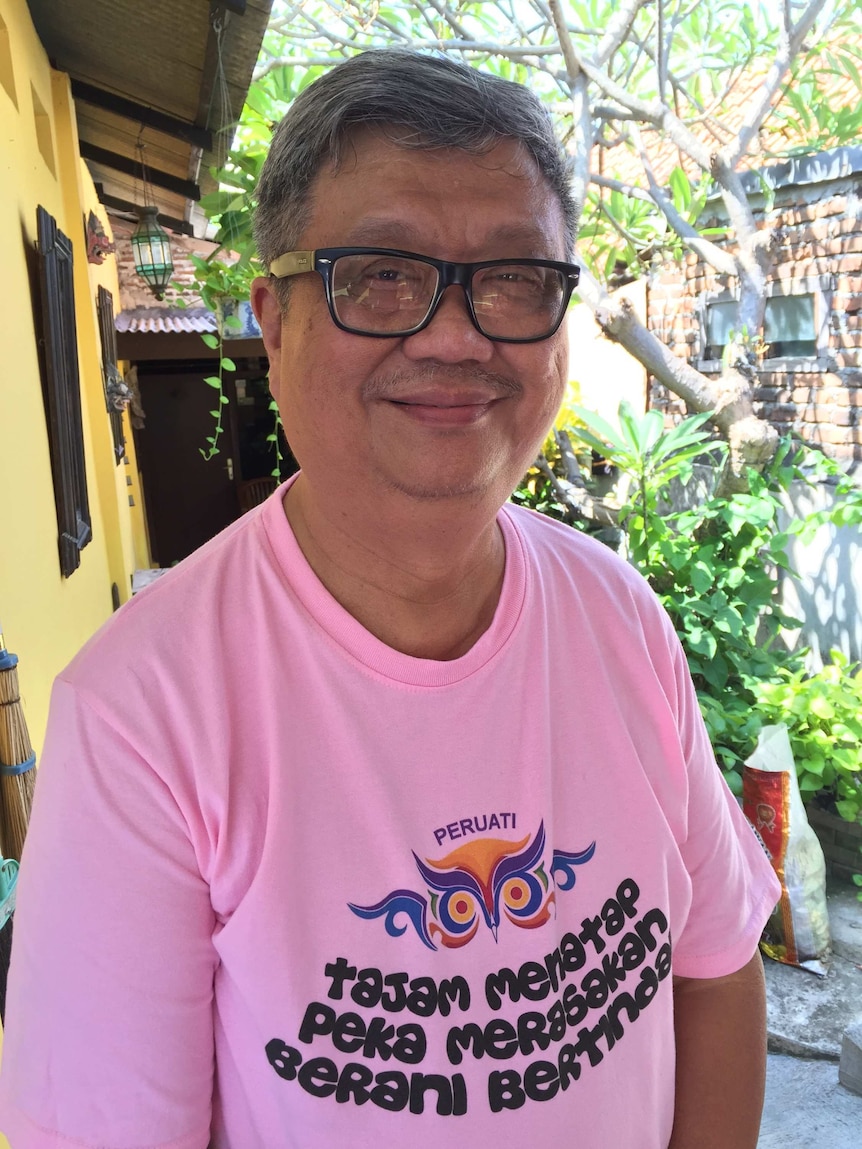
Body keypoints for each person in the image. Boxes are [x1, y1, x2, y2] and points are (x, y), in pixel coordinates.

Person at [0, 49, 779, 1149]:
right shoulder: (144, 716)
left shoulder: (619, 617)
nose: (457, 335)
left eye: (514, 277)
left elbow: (712, 967)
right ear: (273, 323)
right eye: (380, 274)